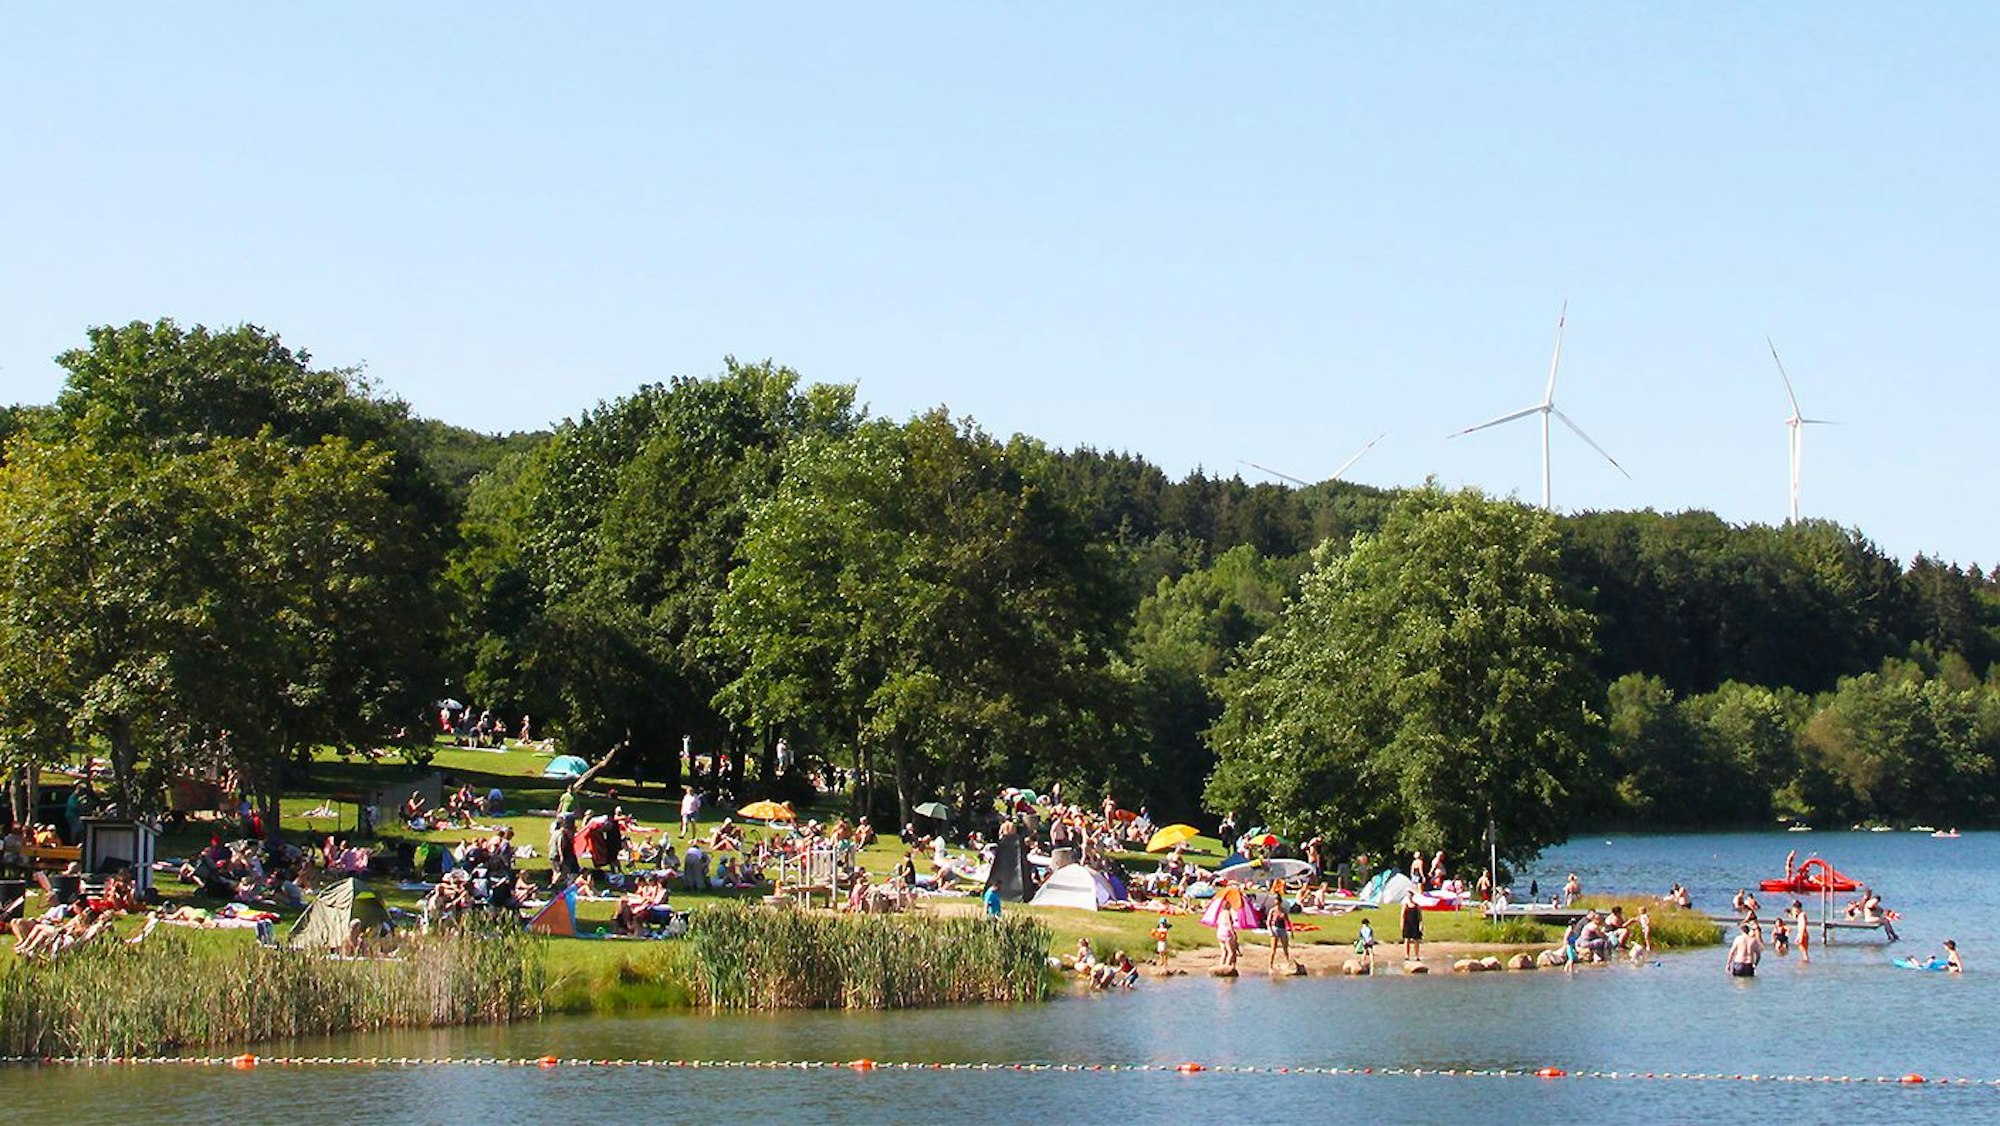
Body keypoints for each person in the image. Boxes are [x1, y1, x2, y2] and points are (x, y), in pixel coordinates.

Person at [1267, 893, 1293, 972]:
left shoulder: (1283, 910)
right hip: (1275, 928)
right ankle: (1270, 966)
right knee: (1273, 949)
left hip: (1283, 929)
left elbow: (1287, 921)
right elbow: (1268, 921)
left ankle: (1288, 962)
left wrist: (1291, 931)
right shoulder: (1272, 910)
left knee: (1285, 948)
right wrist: (1270, 930)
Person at [1400, 887, 1423, 960]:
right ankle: (1407, 955)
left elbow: (1420, 917)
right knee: (1407, 940)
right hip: (1407, 924)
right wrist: (1402, 924)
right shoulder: (1405, 905)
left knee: (1416, 940)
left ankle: (1417, 955)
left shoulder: (1416, 905)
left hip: (1415, 924)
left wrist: (1421, 924)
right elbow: (1402, 916)